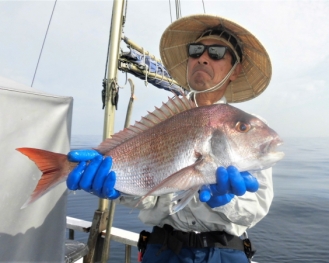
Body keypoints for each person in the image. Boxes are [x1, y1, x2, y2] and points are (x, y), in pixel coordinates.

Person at [67, 14, 273, 263]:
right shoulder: (166, 123)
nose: (204, 58)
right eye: (196, 51)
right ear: (188, 61)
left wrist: (225, 203)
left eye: (217, 52)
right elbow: (149, 199)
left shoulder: (249, 129)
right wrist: (117, 188)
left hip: (225, 253)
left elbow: (257, 209)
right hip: (162, 251)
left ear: (235, 70)